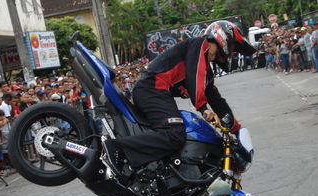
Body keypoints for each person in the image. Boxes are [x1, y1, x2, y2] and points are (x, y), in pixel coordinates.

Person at [102, 21, 255, 176]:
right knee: (174, 134)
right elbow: (194, 76)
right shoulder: (199, 45)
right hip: (152, 88)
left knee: (180, 135)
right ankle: (116, 148)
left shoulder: (206, 72)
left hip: (157, 92)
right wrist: (203, 108)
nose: (233, 53)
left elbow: (216, 100)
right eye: (234, 47)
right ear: (223, 37)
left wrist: (237, 129)